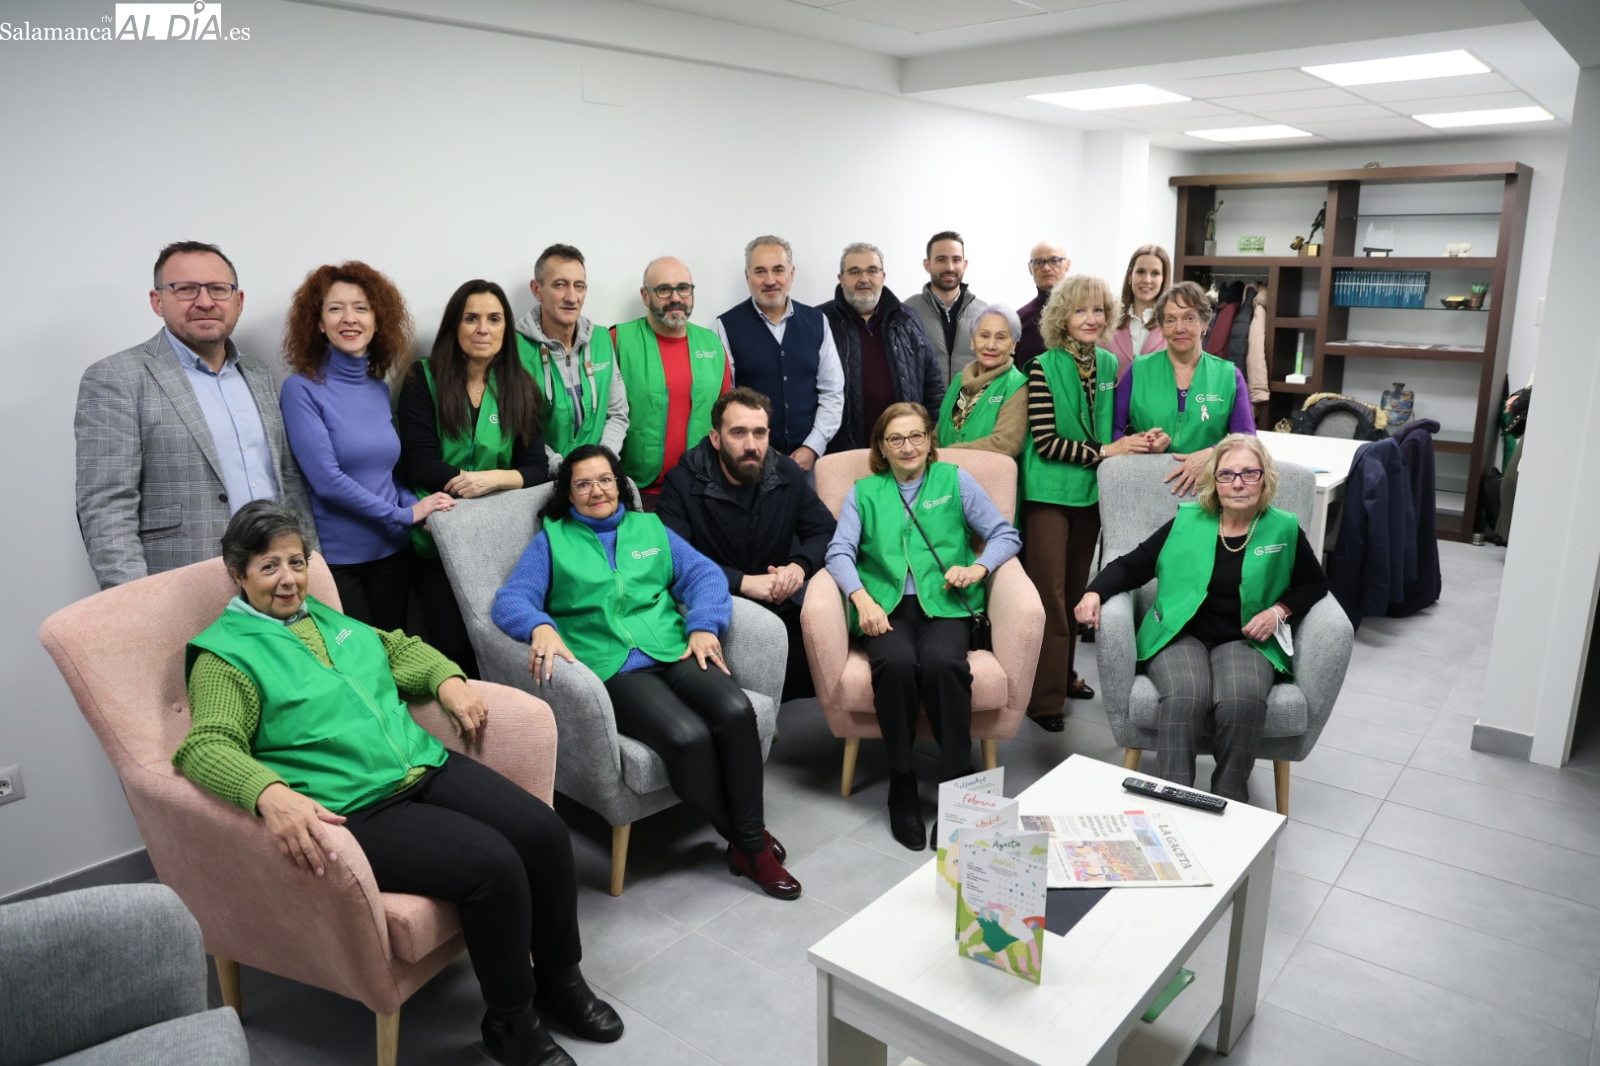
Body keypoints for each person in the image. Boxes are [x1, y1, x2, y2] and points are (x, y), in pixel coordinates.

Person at [173, 500, 621, 1066]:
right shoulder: (225, 656)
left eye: (296, 562)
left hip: (420, 762)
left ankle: (561, 980)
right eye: (269, 567)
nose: (288, 579)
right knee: (494, 866)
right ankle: (511, 1021)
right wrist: (269, 794)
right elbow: (207, 746)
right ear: (238, 574)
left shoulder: (322, 617)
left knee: (546, 833)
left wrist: (446, 678)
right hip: (357, 805)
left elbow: (396, 649)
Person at [492, 445, 800, 900]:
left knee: (737, 711)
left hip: (673, 648)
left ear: (619, 484)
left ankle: (746, 841)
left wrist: (702, 625)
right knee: (686, 737)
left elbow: (705, 576)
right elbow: (511, 600)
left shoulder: (650, 528)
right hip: (614, 666)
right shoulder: (552, 542)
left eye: (605, 480)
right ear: (569, 494)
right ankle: (750, 844)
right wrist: (539, 625)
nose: (597, 490)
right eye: (583, 484)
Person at [1075, 435, 1327, 802]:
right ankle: (1172, 801)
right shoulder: (1187, 520)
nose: (1238, 483)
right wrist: (1094, 592)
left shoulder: (1284, 528)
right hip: (1180, 634)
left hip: (1245, 639)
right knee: (1185, 697)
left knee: (1242, 701)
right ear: (1214, 480)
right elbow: (1131, 566)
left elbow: (1314, 584)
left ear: (1265, 479)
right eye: (1227, 474)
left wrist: (1278, 612)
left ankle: (1229, 800)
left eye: (1249, 473)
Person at [824, 403, 1021, 851]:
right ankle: (902, 781)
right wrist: (861, 598)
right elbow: (839, 552)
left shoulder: (955, 480)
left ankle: (957, 780)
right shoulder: (863, 492)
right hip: (886, 607)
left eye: (916, 436)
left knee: (941, 664)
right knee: (895, 666)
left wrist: (978, 569)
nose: (908, 446)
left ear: (930, 440)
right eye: (896, 438)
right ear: (881, 447)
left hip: (946, 604)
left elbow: (1005, 535)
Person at [75, 240, 315, 589]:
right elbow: (106, 506)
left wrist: (311, 564)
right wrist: (135, 601)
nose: (205, 301)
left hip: (277, 583)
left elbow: (288, 481)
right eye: (186, 289)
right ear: (158, 301)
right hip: (182, 584)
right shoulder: (117, 378)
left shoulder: (257, 373)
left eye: (218, 288)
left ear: (238, 301)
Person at [279, 262, 455, 631]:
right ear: (318, 322)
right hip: (341, 562)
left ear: (377, 321)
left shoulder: (378, 388)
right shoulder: (300, 390)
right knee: (359, 660)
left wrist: (417, 506)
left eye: (361, 308)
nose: (350, 318)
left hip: (394, 551)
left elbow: (389, 473)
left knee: (396, 655)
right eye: (335, 308)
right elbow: (328, 481)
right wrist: (405, 515)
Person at [1022, 276, 1157, 731]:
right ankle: (1043, 700)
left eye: (1098, 310)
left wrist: (1141, 438)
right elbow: (1046, 442)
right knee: (1050, 596)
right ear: (1063, 316)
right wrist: (1107, 451)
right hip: (1048, 494)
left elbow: (1114, 425)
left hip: (1090, 493)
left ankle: (1062, 677)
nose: (1091, 318)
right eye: (1080, 310)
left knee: (1076, 592)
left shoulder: (1108, 362)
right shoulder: (1040, 367)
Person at [400, 280, 549, 679]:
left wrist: (494, 479)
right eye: (471, 318)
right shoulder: (422, 378)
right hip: (437, 536)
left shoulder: (522, 387)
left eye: (494, 319)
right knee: (453, 648)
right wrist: (471, 481)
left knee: (501, 642)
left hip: (499, 539)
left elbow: (537, 468)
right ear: (455, 325)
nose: (483, 328)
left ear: (506, 329)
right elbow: (419, 463)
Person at [658, 387, 838, 701]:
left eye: (759, 433)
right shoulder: (682, 482)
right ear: (716, 439)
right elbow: (673, 561)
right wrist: (744, 582)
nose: (751, 445)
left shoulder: (786, 472)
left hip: (780, 603)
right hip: (714, 606)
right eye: (738, 433)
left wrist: (798, 567)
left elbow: (824, 531)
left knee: (822, 672)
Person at [1115, 280, 1256, 496]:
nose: (1179, 328)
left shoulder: (1229, 375)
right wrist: (1140, 444)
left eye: (1189, 318)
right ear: (1161, 328)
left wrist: (1213, 454)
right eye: (1170, 320)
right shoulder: (1139, 369)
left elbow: (1246, 440)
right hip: (1144, 486)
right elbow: (1112, 428)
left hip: (1205, 491)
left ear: (1205, 323)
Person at [715, 235, 843, 473]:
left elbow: (832, 392)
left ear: (792, 274)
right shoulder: (725, 326)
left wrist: (812, 447)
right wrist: (760, 449)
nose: (770, 280)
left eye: (778, 270)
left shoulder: (817, 321)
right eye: (760, 271)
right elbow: (725, 400)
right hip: (752, 462)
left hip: (811, 462)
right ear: (747, 276)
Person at [612, 257, 731, 508]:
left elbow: (725, 419)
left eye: (683, 288)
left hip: (699, 488)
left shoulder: (712, 345)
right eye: (664, 289)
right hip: (635, 490)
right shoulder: (618, 340)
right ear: (645, 295)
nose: (676, 298)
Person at [818, 242, 945, 453]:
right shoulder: (820, 321)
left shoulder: (908, 318)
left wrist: (928, 434)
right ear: (841, 278)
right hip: (843, 451)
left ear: (883, 276)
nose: (864, 279)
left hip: (905, 449)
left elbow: (932, 384)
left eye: (872, 271)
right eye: (854, 272)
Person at [514, 244, 628, 463]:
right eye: (560, 285)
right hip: (542, 473)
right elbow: (518, 427)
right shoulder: (515, 347)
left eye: (579, 286)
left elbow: (617, 412)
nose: (572, 297)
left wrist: (601, 461)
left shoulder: (601, 339)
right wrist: (563, 470)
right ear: (537, 290)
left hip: (596, 472)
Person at [936, 305, 1028, 457]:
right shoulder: (958, 381)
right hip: (945, 471)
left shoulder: (1017, 386)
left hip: (986, 472)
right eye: (984, 336)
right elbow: (937, 435)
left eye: (1001, 337)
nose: (991, 345)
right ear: (972, 341)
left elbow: (1005, 444)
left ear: (1013, 345)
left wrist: (943, 455)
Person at [907, 231, 987, 387]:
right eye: (941, 259)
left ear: (965, 264)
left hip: (970, 402)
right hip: (923, 403)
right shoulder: (907, 312)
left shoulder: (985, 313)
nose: (949, 267)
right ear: (927, 264)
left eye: (956, 260)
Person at [1106, 245, 1171, 379]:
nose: (1147, 280)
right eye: (1141, 272)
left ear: (1163, 279)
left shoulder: (1174, 325)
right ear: (1130, 276)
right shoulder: (1107, 321)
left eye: (1155, 273)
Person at [1015, 240, 1070, 367]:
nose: (1046, 268)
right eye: (1039, 262)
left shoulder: (1081, 313)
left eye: (1054, 260)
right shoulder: (1018, 319)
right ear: (1030, 268)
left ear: (1067, 265)